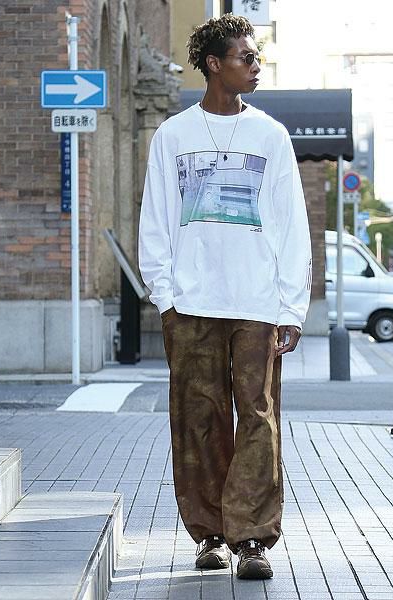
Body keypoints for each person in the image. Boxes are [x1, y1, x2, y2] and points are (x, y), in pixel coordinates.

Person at [138, 13, 311, 580]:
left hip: (257, 304)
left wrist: (291, 307)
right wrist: (165, 297)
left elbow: (291, 224)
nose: (257, 66)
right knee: (199, 420)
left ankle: (252, 538)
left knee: (258, 417)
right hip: (190, 305)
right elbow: (156, 221)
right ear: (215, 64)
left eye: (256, 57)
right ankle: (210, 534)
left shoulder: (271, 136)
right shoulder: (173, 136)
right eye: (247, 57)